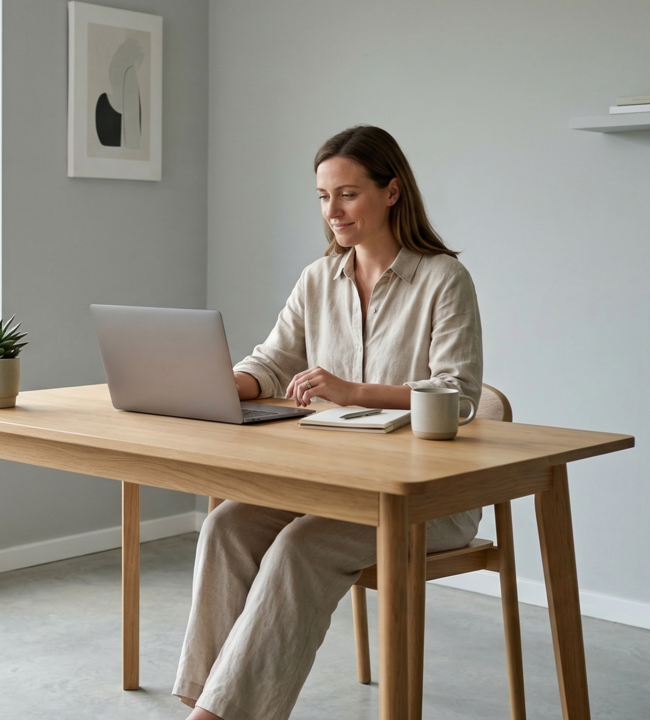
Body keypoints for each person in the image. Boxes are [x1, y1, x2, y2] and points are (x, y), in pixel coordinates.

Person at [172, 125, 484, 720]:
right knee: (225, 527)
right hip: (331, 486)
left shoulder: (444, 279)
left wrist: (352, 390)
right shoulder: (318, 279)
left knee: (298, 548)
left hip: (425, 500)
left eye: (347, 194)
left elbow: (459, 394)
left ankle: (219, 718)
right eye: (322, 196)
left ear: (391, 192)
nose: (332, 211)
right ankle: (205, 700)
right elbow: (269, 361)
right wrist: (217, 385)